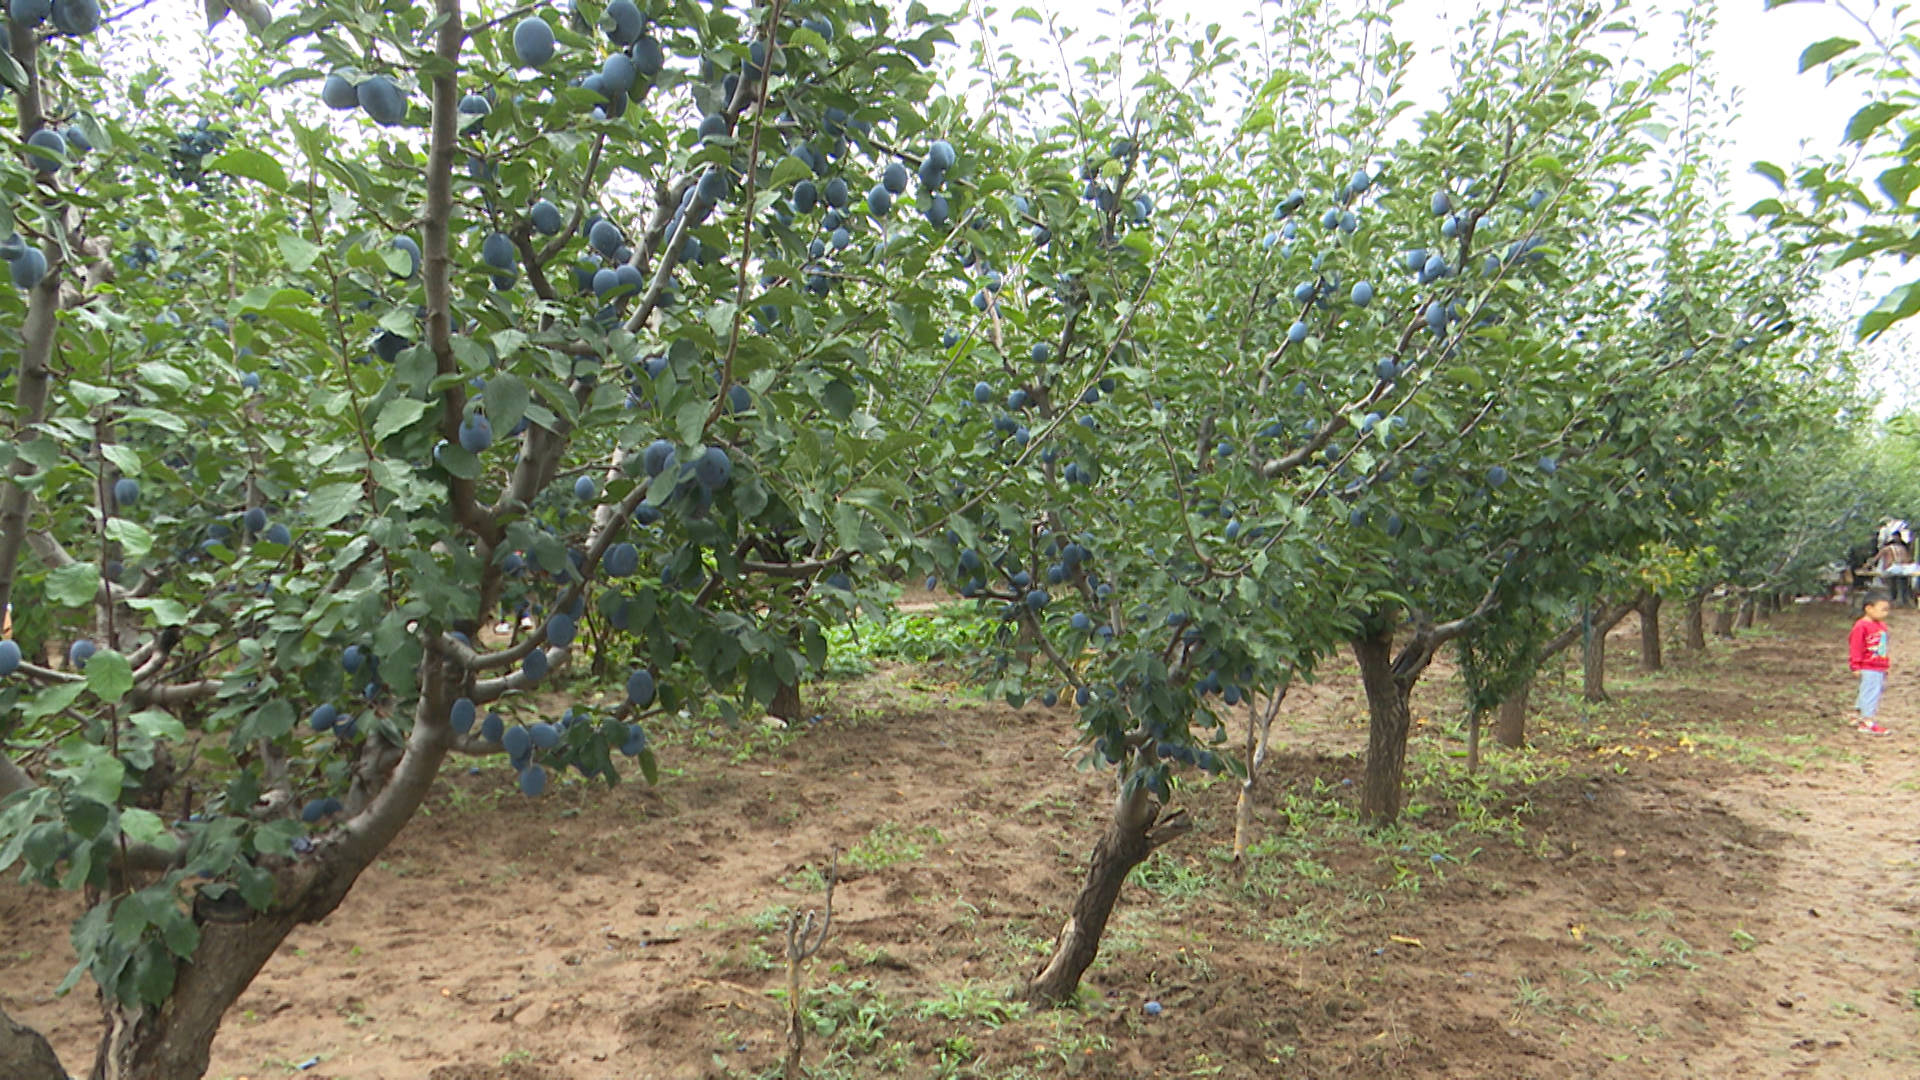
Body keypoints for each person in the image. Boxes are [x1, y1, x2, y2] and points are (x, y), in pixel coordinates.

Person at [1850, 590, 1893, 734]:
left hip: (1878, 665)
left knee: (1871, 690)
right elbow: (1856, 647)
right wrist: (1855, 665)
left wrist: (1885, 664)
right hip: (1868, 666)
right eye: (1883, 610)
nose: (1885, 613)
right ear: (1869, 608)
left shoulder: (1882, 626)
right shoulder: (1861, 626)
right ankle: (1867, 721)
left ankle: (1859, 715)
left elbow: (1883, 647)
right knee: (1870, 692)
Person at [1878, 534, 1915, 607]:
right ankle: (1900, 600)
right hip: (1903, 570)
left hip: (1891, 571)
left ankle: (1894, 601)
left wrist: (1866, 566)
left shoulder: (1886, 549)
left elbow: (1875, 559)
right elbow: (1909, 560)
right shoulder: (1903, 548)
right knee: (1901, 584)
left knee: (1890, 586)